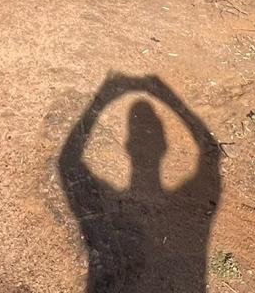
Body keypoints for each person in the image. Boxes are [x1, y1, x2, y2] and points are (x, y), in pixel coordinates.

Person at [58, 74, 222, 292]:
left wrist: (105, 96)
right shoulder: (189, 207)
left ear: (127, 146)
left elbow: (67, 163)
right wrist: (166, 96)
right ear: (165, 148)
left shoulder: (109, 209)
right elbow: (211, 153)